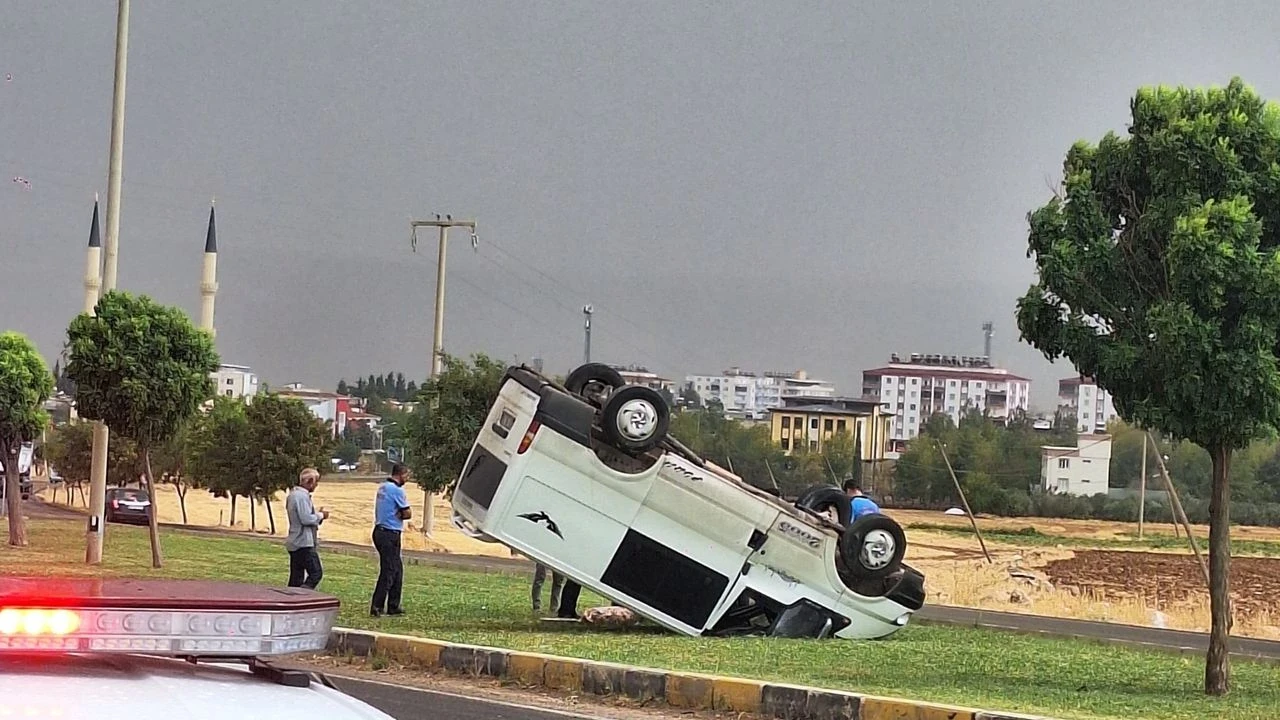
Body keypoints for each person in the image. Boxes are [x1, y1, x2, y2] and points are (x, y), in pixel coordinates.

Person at [371, 463, 413, 616]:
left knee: (397, 570)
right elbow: (407, 513)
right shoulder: (397, 490)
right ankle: (377, 606)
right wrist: (402, 514)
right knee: (389, 571)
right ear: (401, 474)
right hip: (390, 533)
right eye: (407, 475)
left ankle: (394, 605)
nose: (407, 478)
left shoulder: (382, 487)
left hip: (379, 531)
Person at [285, 467, 329, 589]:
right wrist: (321, 515)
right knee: (315, 573)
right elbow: (306, 519)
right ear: (309, 481)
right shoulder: (301, 497)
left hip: (295, 541)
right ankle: (302, 596)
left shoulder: (294, 495)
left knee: (296, 578)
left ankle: (291, 599)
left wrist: (316, 517)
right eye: (315, 482)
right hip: (303, 542)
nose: (316, 485)